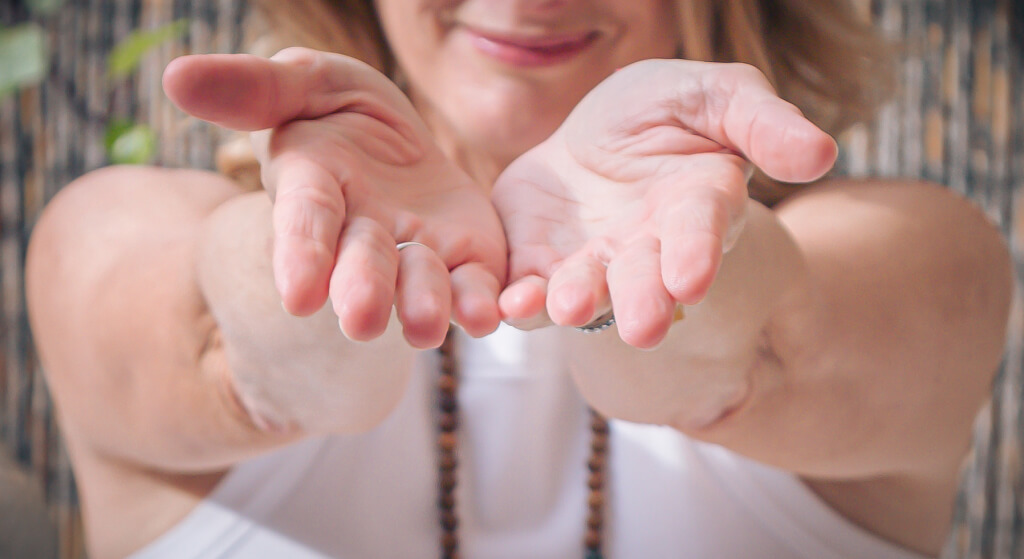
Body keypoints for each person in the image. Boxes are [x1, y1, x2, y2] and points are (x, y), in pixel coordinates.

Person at [25, 0, 1013, 558]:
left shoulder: (918, 253)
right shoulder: (106, 233)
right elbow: (257, 353)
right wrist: (327, 258)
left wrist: (665, 260)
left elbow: (747, 342)